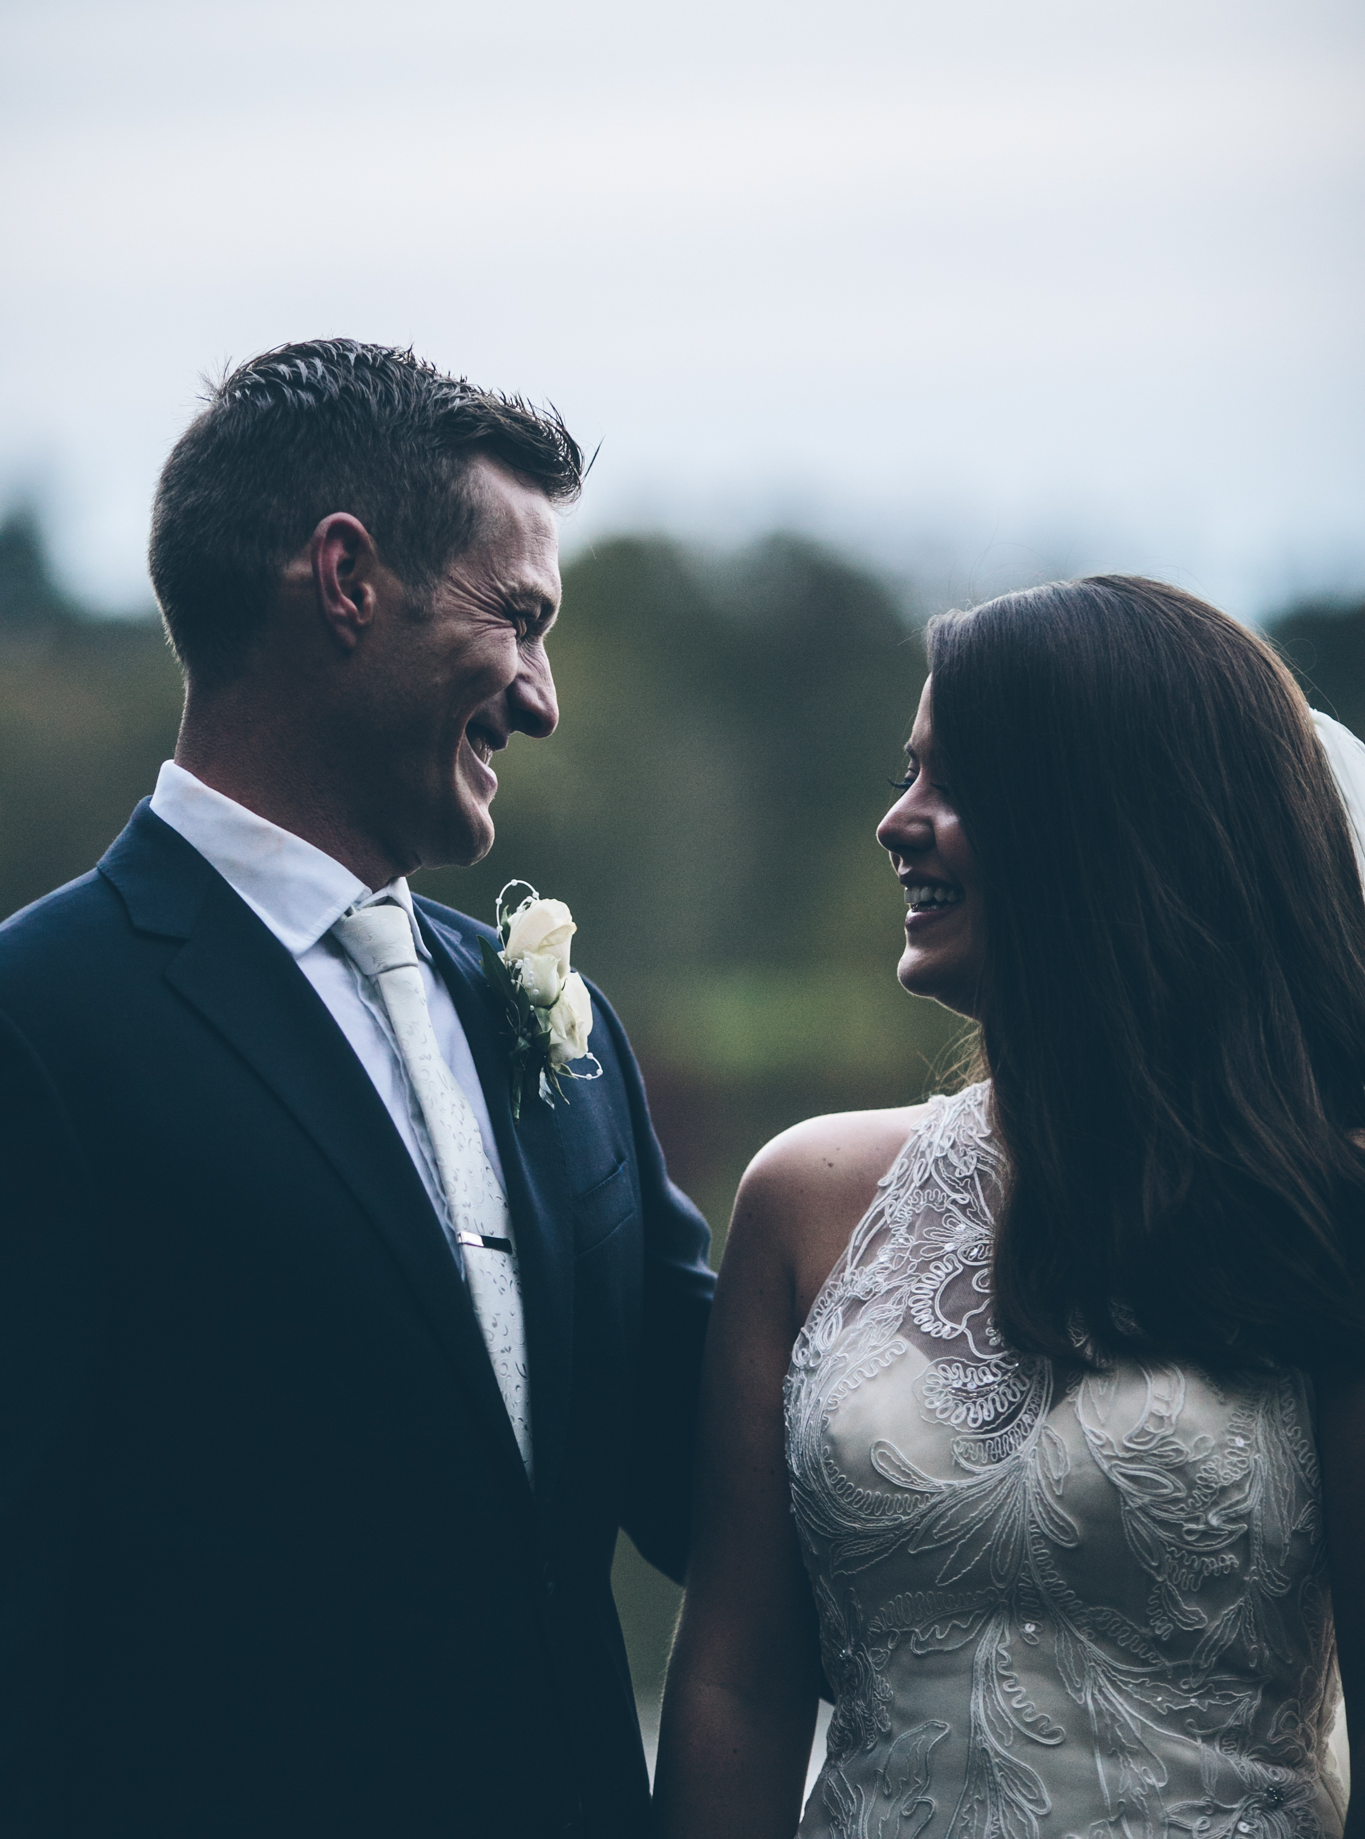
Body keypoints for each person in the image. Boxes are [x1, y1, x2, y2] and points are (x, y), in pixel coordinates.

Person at [0, 340, 715, 1839]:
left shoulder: (554, 1027)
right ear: (345, 580)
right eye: (518, 619)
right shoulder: (39, 1024)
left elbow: (705, 1466)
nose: (543, 696)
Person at [654, 576, 1365, 1839]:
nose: (897, 823)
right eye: (905, 772)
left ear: (1112, 823)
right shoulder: (805, 1201)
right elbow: (737, 1683)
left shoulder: (1333, 1208)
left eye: (954, 783)